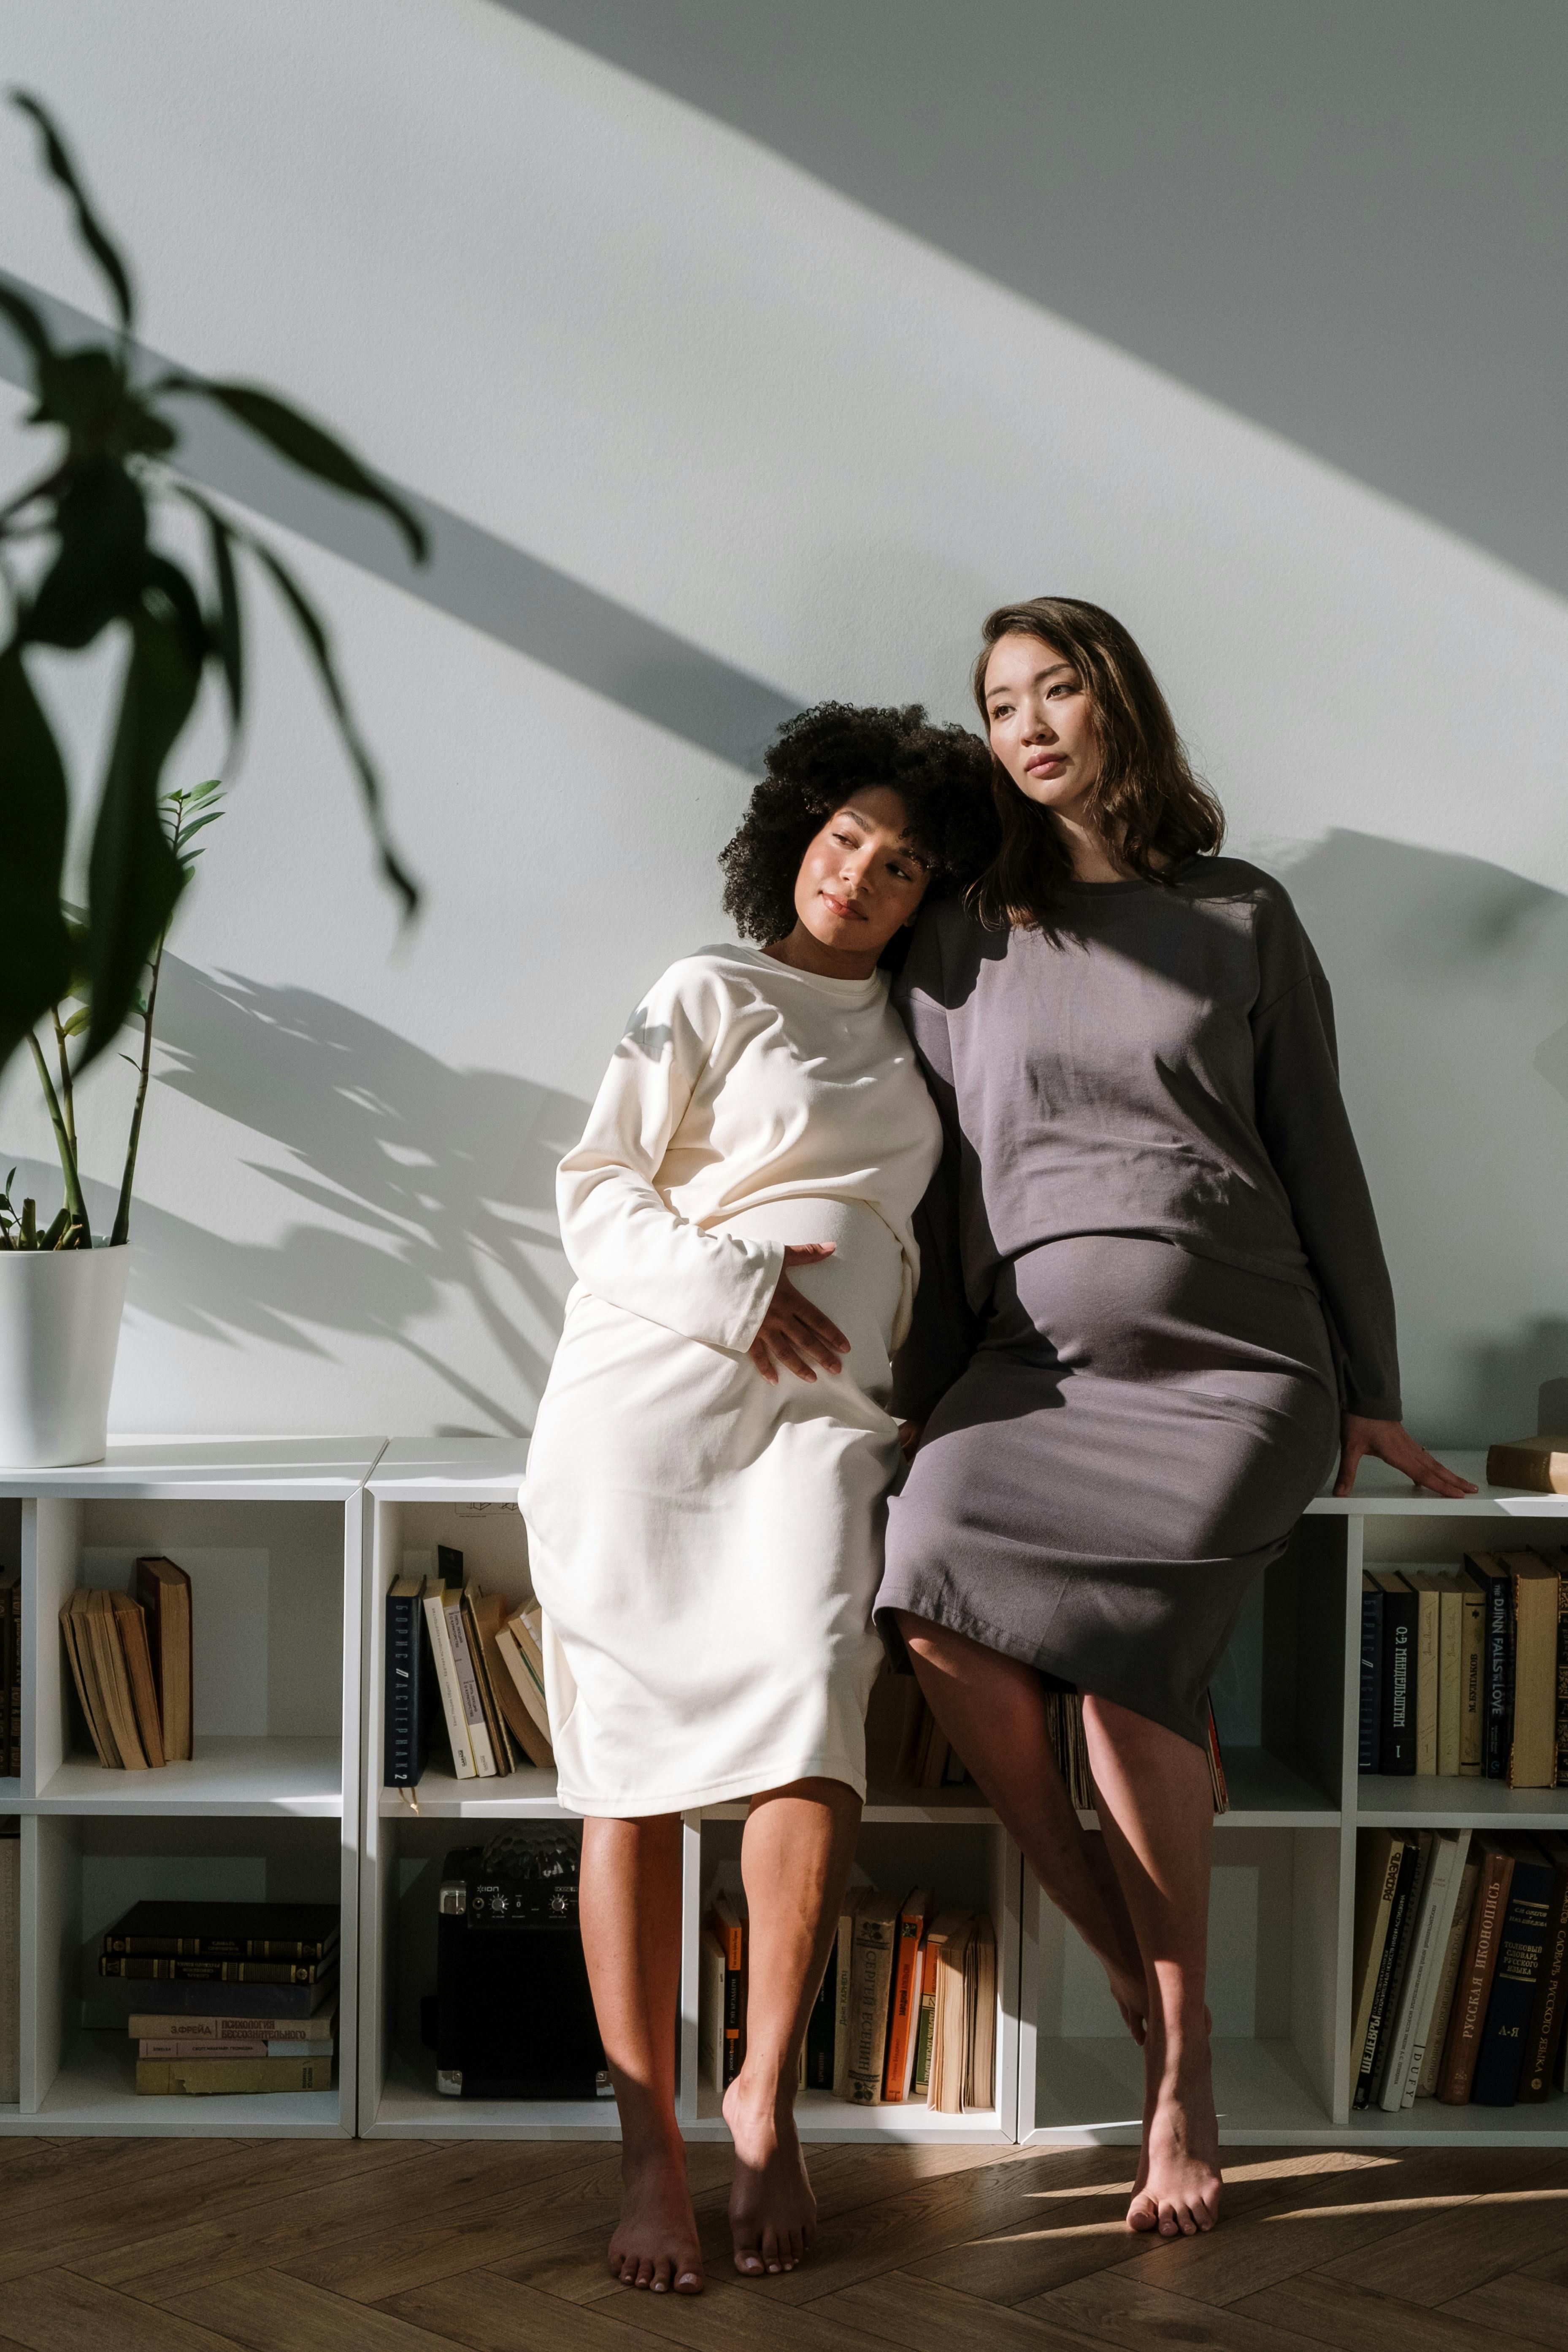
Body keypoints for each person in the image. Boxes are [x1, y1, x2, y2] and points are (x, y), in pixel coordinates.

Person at [876, 597, 1472, 2241]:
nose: (1028, 721)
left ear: (1114, 698)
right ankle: (1138, 1979)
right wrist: (916, 1410)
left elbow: (1319, 1148)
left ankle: (1183, 2057)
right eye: (998, 702)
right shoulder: (956, 935)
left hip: (1239, 1349)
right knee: (925, 1572)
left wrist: (1370, 1390)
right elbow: (933, 1208)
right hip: (1035, 1364)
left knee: (1130, 1641)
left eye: (1054, 684)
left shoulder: (1237, 912)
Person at [522, 703, 991, 2295]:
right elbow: (595, 1188)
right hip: (647, 1405)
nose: (859, 873)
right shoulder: (703, 990)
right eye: (845, 834)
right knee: (630, 1776)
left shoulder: (922, 1031)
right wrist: (731, 1288)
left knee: (811, 1708)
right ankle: (650, 2148)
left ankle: (763, 2098)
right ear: (797, 828)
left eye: (902, 859)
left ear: (933, 894)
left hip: (817, 1427)